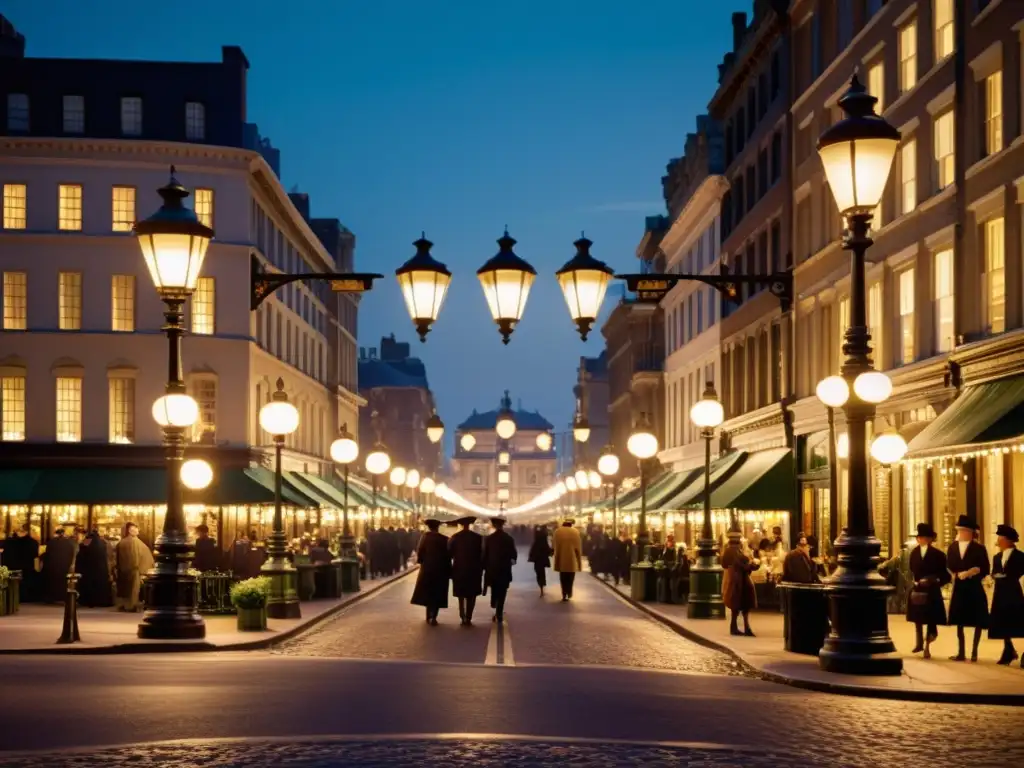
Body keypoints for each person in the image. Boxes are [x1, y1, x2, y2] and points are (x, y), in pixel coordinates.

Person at [946, 515, 990, 662]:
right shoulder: (953, 547)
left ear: (971, 532)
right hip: (959, 587)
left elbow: (985, 568)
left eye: (964, 531)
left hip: (974, 587)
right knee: (959, 621)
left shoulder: (979, 548)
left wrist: (973, 571)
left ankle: (974, 652)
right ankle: (961, 652)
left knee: (977, 620)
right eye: (960, 530)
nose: (962, 533)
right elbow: (949, 565)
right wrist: (955, 574)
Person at [905, 523, 949, 659]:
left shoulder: (938, 555)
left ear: (930, 539)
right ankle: (918, 643)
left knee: (930, 620)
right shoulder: (914, 553)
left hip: (931, 591)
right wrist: (915, 581)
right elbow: (911, 570)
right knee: (917, 618)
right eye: (919, 537)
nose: (921, 540)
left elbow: (945, 575)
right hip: (918, 589)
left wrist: (935, 581)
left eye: (924, 537)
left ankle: (927, 646)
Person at [990, 524, 1024, 667]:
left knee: (1019, 621)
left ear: (1009, 540)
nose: (999, 540)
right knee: (1002, 622)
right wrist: (995, 576)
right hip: (1000, 592)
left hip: (1013, 591)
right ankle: (1008, 650)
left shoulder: (1020, 556)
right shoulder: (997, 557)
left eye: (1001, 538)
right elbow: (994, 572)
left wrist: (1007, 576)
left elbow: (1020, 571)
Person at [410, 519, 450, 625]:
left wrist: (422, 562)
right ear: (437, 527)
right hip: (441, 570)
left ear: (429, 527)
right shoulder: (444, 539)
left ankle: (428, 615)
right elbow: (448, 556)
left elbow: (420, 552)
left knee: (428, 592)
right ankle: (434, 616)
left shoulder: (425, 537)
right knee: (437, 593)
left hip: (427, 569)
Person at [721, 528, 758, 636]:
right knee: (740, 604)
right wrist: (750, 566)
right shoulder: (733, 551)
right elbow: (739, 564)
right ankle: (741, 628)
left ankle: (738, 627)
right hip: (739, 582)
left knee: (738, 606)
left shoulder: (732, 550)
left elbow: (726, 564)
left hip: (738, 580)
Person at [449, 516, 484, 626]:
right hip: (474, 569)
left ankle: (462, 615)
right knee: (471, 594)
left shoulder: (455, 537)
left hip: (459, 568)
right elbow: (482, 554)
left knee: (461, 594)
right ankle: (469, 616)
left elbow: (449, 554)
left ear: (460, 525)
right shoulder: (478, 538)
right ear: (470, 525)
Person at [483, 516, 517, 623]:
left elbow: (484, 555)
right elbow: (513, 554)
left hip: (492, 569)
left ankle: (495, 604)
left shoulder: (489, 539)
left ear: (493, 525)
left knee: (494, 589)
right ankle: (499, 612)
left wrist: (484, 567)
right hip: (504, 570)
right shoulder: (509, 538)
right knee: (502, 591)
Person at [115, 522, 154, 612]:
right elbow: (135, 556)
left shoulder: (122, 542)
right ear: (129, 530)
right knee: (133, 590)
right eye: (135, 528)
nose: (137, 530)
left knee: (126, 589)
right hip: (135, 569)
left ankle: (125, 605)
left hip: (125, 569)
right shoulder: (134, 542)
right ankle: (131, 605)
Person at [75, 529, 113, 608]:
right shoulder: (103, 543)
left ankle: (88, 601)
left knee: (89, 585)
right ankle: (100, 601)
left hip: (88, 569)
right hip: (101, 569)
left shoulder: (87, 541)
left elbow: (81, 553)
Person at [1, 525, 39, 602]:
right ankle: (25, 598)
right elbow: (35, 555)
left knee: (12, 584)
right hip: (27, 568)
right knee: (26, 583)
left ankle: (12, 598)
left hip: (12, 567)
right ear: (27, 532)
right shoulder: (33, 543)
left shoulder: (8, 542)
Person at [40, 528, 76, 603]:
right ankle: (62, 596)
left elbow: (48, 554)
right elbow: (71, 554)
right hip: (64, 566)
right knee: (62, 582)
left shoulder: (51, 542)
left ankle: (52, 597)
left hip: (52, 566)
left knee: (52, 582)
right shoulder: (69, 543)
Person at [552, 519, 583, 601]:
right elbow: (578, 549)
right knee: (570, 578)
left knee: (563, 578)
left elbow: (553, 545)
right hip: (572, 560)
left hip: (561, 559)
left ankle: (564, 593)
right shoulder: (575, 532)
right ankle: (569, 592)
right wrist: (579, 563)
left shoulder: (557, 532)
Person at [527, 526, 552, 596]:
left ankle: (541, 587)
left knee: (538, 573)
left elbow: (532, 551)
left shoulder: (536, 541)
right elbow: (547, 549)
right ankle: (542, 586)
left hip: (537, 560)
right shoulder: (544, 541)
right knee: (542, 573)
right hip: (543, 559)